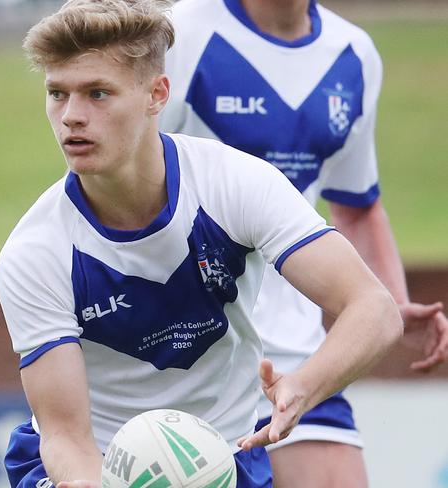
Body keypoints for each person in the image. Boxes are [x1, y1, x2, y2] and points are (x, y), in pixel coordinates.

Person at [0, 1, 403, 487]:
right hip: (92, 467)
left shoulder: (237, 184)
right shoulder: (35, 252)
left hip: (222, 458)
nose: (72, 117)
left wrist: (304, 387)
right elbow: (65, 437)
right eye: (57, 94)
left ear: (157, 93)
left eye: (98, 94)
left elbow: (374, 309)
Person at [159, 0, 448, 486]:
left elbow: (356, 204)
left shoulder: (354, 54)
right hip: (189, 352)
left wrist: (391, 304)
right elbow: (124, 175)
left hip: (295, 357)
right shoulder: (180, 33)